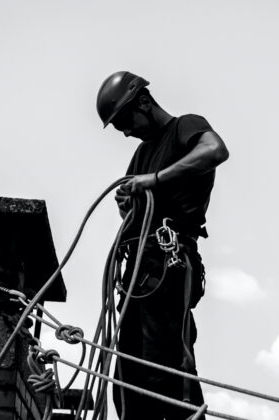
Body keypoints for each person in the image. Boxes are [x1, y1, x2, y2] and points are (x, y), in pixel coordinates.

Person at [96, 71, 229, 420]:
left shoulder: (186, 126)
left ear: (143, 102)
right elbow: (133, 202)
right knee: (127, 374)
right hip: (139, 271)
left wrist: (154, 180)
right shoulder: (142, 154)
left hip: (168, 264)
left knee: (164, 365)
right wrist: (127, 202)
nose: (125, 132)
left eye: (125, 121)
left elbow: (215, 150)